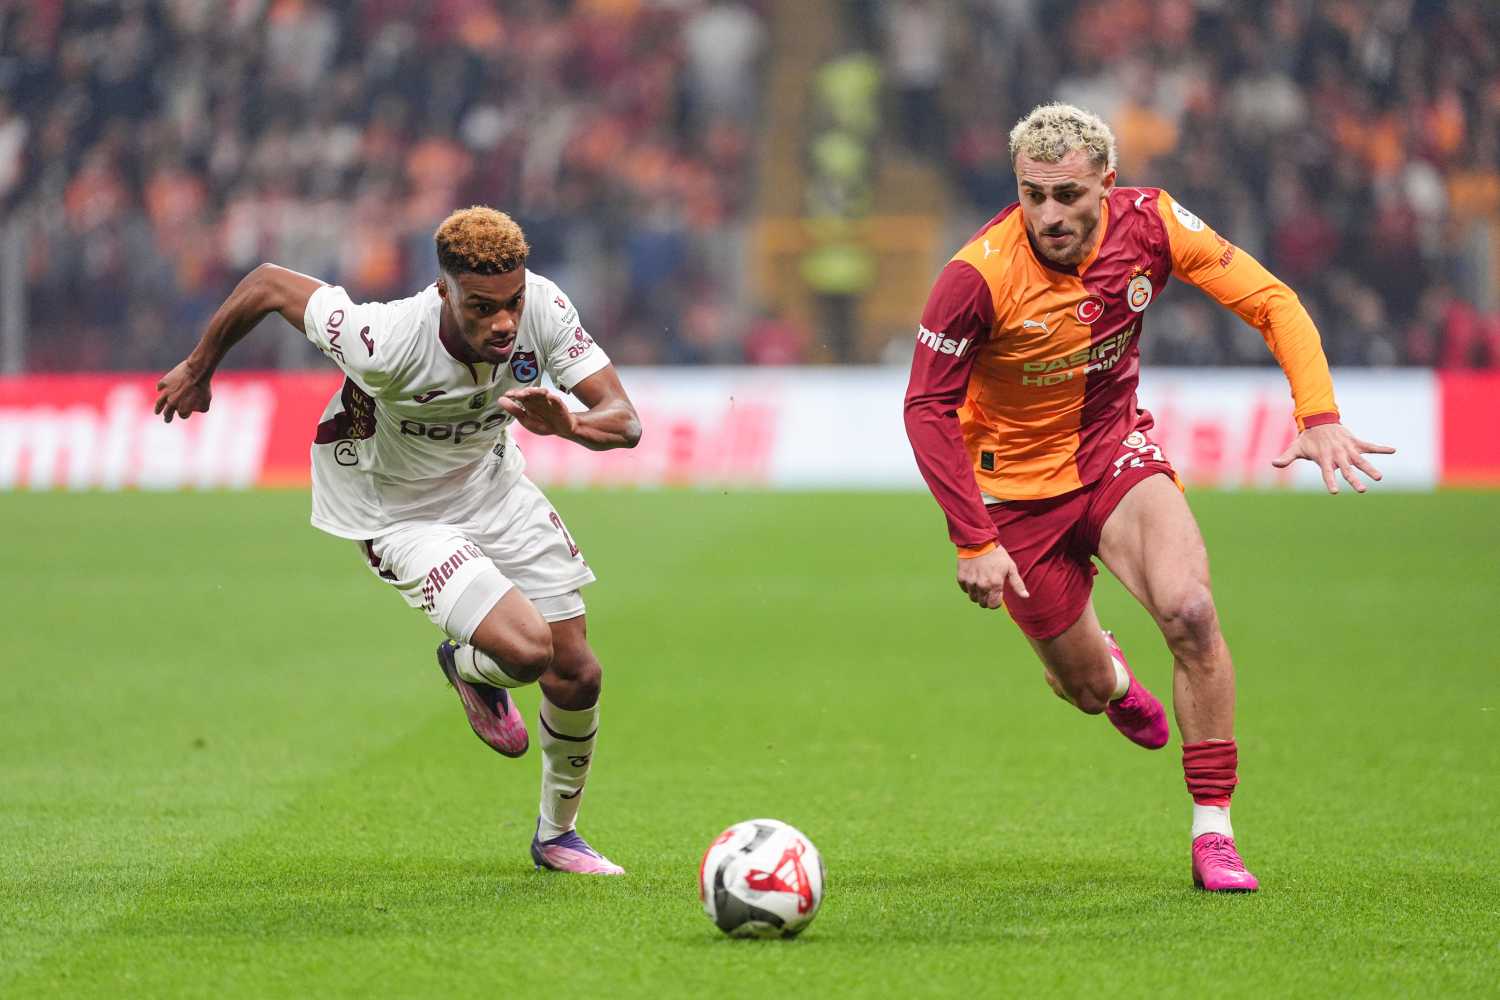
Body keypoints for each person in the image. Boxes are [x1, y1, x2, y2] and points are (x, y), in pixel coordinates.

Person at [902, 104, 1395, 892]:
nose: (1049, 215)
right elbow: (926, 406)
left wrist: (1319, 415)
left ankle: (1214, 832)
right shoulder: (976, 276)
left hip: (1113, 455)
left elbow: (1272, 301)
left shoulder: (1153, 224)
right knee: (1085, 689)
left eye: (1068, 195)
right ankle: (1113, 678)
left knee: (1191, 612)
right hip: (1015, 498)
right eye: (1033, 195)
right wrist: (974, 539)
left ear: (1107, 183)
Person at [155, 206, 642, 875]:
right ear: (444, 291)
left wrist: (572, 426)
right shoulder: (382, 340)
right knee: (530, 652)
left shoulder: (545, 310)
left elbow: (625, 422)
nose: (504, 322)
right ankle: (468, 667)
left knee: (579, 672)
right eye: (482, 307)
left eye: (512, 302)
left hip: (493, 486)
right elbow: (267, 283)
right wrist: (199, 366)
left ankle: (558, 837)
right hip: (398, 512)